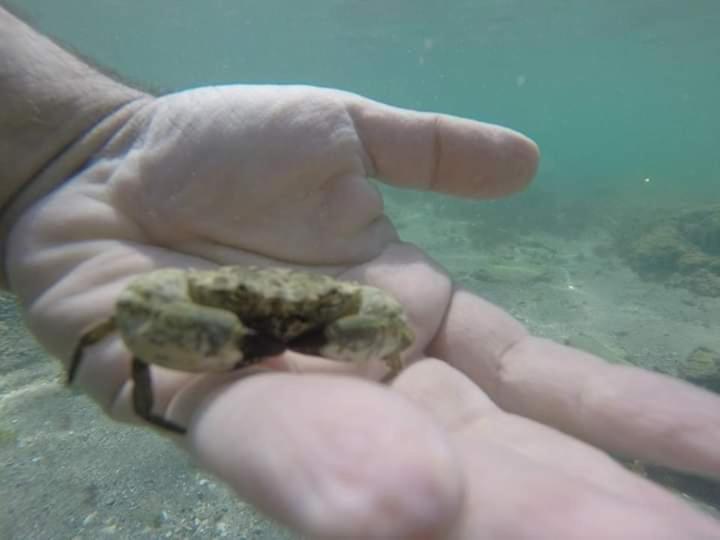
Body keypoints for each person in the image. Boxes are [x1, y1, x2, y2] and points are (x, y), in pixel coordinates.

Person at [1, 6, 719, 539]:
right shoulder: (176, 296)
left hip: (308, 301)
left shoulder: (342, 305)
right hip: (227, 301)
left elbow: (385, 322)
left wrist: (75, 146)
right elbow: (127, 317)